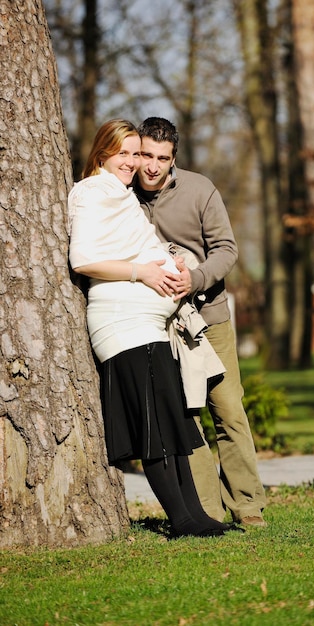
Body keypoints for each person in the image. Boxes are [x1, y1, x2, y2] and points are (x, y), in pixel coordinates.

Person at [68, 118, 232, 538]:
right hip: (123, 325)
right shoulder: (91, 191)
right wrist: (143, 272)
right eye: (122, 152)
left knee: (172, 423)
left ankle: (199, 517)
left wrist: (172, 262)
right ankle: (181, 520)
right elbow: (83, 260)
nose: (131, 162)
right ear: (102, 153)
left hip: (148, 325)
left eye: (135, 153)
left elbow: (137, 244)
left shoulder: (118, 194)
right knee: (154, 430)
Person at [133, 117, 267, 527]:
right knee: (186, 418)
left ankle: (247, 505)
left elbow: (226, 249)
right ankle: (206, 509)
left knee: (227, 409)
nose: (153, 167)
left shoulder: (199, 188)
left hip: (208, 318)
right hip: (155, 326)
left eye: (162, 158)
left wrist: (196, 279)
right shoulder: (121, 194)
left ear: (174, 158)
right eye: (146, 156)